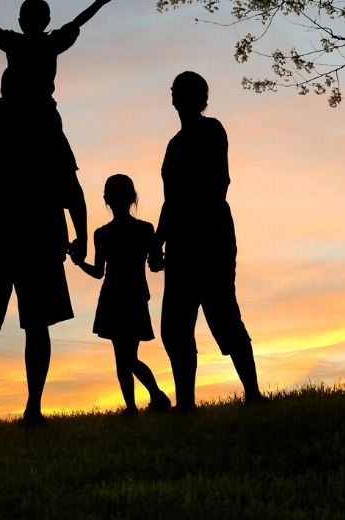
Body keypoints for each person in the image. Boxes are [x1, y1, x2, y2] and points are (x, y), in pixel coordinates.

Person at [0, 93, 88, 428]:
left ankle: (0, 408)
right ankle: (11, 408)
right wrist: (81, 235)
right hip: (21, 233)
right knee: (12, 323)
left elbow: (71, 185)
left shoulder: (0, 116)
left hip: (16, 233)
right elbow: (72, 187)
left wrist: (82, 234)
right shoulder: (36, 120)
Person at [153, 71, 266, 411]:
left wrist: (189, 221)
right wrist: (159, 241)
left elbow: (219, 182)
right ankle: (185, 402)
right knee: (175, 325)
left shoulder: (212, 130)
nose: (177, 98)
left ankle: (253, 393)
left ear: (198, 98)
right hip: (180, 240)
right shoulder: (173, 144)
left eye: (183, 92)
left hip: (210, 233)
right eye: (175, 92)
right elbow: (169, 199)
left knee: (223, 313)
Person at [0, 0, 118, 183]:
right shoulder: (40, 42)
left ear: (22, 22)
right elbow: (77, 22)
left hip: (35, 108)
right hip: (24, 107)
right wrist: (100, 2)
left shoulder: (27, 41)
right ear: (46, 21)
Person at [73, 174, 171, 415]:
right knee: (127, 356)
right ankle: (140, 403)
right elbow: (156, 263)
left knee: (124, 357)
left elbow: (97, 272)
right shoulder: (144, 229)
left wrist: (78, 263)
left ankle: (150, 399)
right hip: (133, 296)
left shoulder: (103, 234)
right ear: (132, 197)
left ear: (107, 199)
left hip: (115, 298)